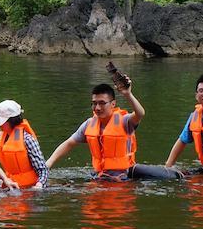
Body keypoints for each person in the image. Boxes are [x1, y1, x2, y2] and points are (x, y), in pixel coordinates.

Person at [46, 75, 179, 181]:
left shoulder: (125, 121)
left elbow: (140, 113)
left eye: (102, 103)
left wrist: (127, 94)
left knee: (174, 176)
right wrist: (48, 164)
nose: (97, 108)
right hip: (100, 176)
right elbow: (69, 143)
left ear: (113, 104)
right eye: (94, 103)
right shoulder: (88, 124)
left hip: (125, 174)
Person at [0, 99, 49, 189]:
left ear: (12, 121)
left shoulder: (27, 140)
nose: (0, 125)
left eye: (3, 122)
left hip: (29, 187)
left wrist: (39, 185)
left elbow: (42, 170)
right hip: (9, 183)